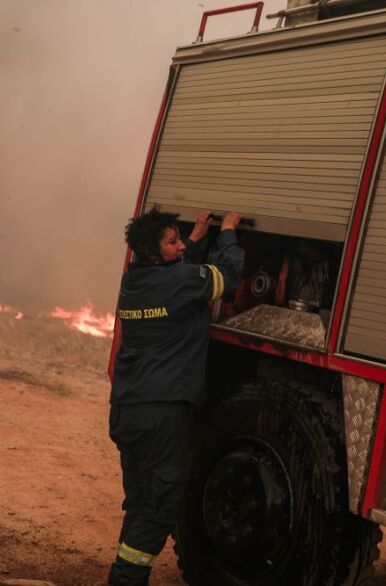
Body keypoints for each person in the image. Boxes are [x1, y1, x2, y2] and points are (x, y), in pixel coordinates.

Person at [108, 207, 244, 585]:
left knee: (140, 503)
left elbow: (176, 277)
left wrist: (195, 238)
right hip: (160, 415)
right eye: (173, 242)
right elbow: (227, 278)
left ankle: (126, 577)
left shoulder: (133, 281)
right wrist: (227, 233)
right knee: (161, 505)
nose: (182, 245)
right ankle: (124, 580)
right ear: (154, 253)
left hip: (127, 410)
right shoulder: (181, 281)